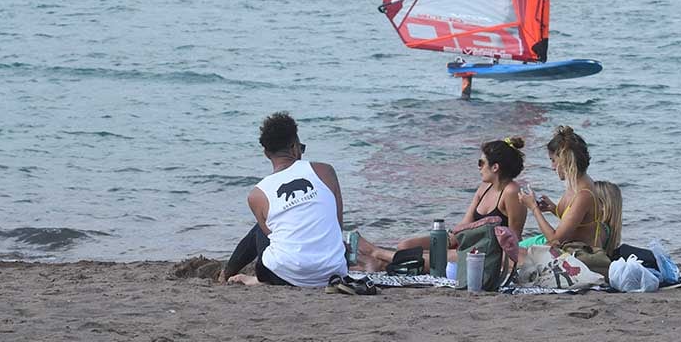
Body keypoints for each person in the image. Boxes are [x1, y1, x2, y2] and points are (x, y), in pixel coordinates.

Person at [355, 136, 528, 270]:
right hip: (467, 240)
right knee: (405, 246)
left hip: (488, 252)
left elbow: (513, 238)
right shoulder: (484, 188)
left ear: (495, 167)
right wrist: (448, 240)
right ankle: (382, 263)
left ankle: (376, 252)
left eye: (481, 163)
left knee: (434, 257)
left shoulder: (511, 192)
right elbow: (465, 225)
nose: (478, 167)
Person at [220, 111, 348, 286]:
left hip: (280, 276)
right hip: (333, 271)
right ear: (295, 147)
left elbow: (272, 236)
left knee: (260, 229)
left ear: (266, 153)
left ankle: (226, 274)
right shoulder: (325, 172)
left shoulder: (257, 195)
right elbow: (337, 224)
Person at [517, 125, 610, 249]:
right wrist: (553, 209)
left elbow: (556, 240)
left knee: (513, 255)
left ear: (566, 160)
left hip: (581, 256)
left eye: (553, 160)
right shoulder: (576, 185)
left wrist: (534, 208)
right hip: (570, 249)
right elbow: (577, 223)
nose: (552, 167)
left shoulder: (584, 194)